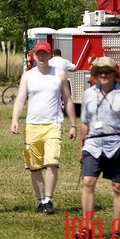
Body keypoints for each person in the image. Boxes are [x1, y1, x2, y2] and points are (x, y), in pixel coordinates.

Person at [79, 56, 120, 238]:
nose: (103, 75)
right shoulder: (89, 94)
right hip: (92, 144)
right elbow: (84, 122)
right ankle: (87, 228)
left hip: (116, 144)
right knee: (88, 182)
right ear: (95, 74)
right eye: (100, 72)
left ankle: (117, 229)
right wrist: (81, 147)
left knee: (118, 187)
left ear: (114, 74)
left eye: (107, 71)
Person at [11, 41, 77, 215]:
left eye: (45, 54)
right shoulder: (28, 76)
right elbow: (20, 99)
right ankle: (40, 200)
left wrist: (73, 124)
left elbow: (68, 100)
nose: (41, 57)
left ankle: (48, 200)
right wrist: (15, 119)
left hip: (53, 124)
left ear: (50, 56)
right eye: (38, 54)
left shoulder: (60, 74)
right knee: (34, 166)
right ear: (34, 55)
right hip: (32, 125)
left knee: (52, 163)